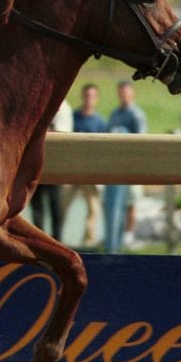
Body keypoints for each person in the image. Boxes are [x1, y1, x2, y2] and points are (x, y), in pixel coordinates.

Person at [61, 84, 108, 246]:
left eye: (92, 96)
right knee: (62, 206)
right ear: (82, 97)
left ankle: (88, 241)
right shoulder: (73, 117)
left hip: (90, 173)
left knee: (93, 209)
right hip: (72, 171)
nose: (89, 99)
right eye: (86, 96)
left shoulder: (101, 123)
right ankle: (58, 238)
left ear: (96, 99)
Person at [102, 81, 147, 253]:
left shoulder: (137, 115)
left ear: (132, 94)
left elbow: (141, 140)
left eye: (126, 93)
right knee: (112, 206)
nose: (123, 96)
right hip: (114, 167)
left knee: (130, 203)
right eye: (121, 93)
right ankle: (112, 241)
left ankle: (127, 236)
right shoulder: (114, 113)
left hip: (130, 166)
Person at [29, 100, 73, 241]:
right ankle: (39, 239)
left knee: (55, 205)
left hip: (54, 163)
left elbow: (62, 134)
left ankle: (56, 240)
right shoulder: (41, 103)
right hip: (37, 162)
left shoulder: (63, 107)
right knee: (37, 205)